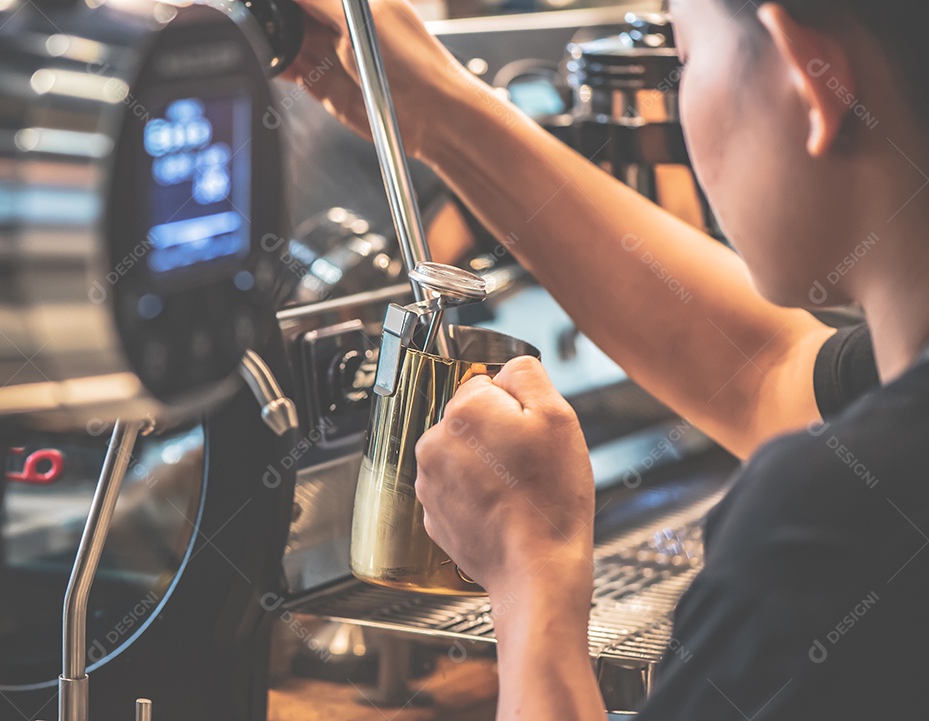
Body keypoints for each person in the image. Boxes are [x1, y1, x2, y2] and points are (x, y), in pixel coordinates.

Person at [284, 0, 929, 718]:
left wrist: (533, 571)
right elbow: (767, 374)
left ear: (808, 81)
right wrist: (434, 108)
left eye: (685, 60)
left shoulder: (824, 532)